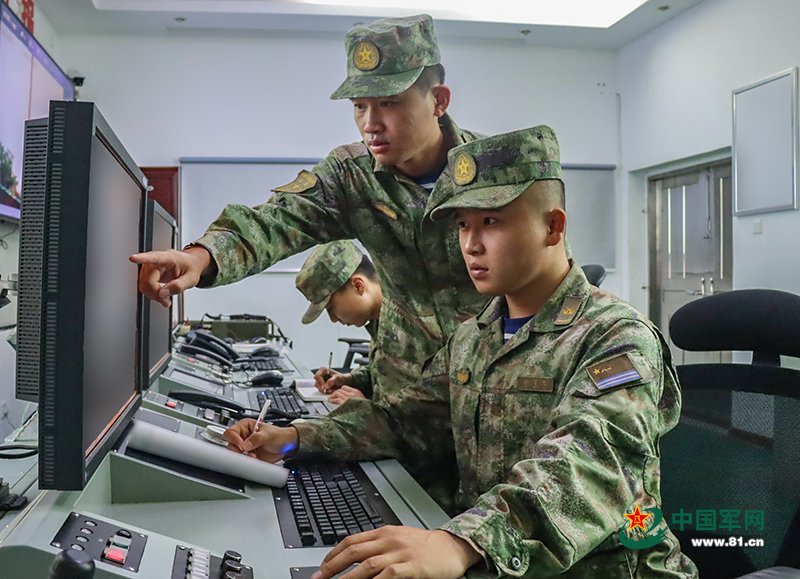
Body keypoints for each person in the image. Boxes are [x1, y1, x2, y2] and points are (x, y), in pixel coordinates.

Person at [225, 126, 698, 578]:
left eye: (491, 221)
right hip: (499, 562)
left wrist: (460, 542)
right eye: (462, 225)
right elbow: (406, 421)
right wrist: (294, 438)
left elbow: (587, 468)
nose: (470, 244)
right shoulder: (475, 336)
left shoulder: (614, 336)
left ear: (553, 227)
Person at [131, 14, 488, 502]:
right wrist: (203, 256)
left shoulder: (494, 177)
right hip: (403, 418)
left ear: (439, 101)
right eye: (359, 106)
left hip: (490, 419)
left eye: (389, 103)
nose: (370, 123)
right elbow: (279, 218)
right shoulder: (353, 174)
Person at [295, 240, 382, 403]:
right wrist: (349, 379)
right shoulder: (379, 322)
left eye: (331, 308)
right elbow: (389, 374)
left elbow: (432, 399)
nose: (333, 319)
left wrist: (370, 408)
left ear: (358, 286)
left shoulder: (415, 318)